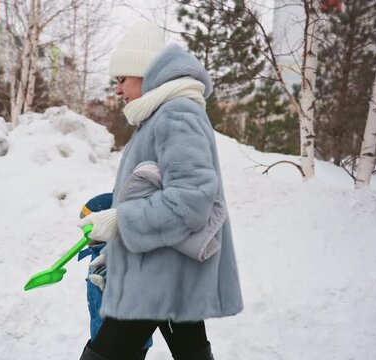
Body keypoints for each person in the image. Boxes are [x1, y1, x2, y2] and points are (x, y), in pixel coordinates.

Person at [77, 21, 243, 360]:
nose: (118, 91)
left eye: (122, 79)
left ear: (145, 73)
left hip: (157, 274)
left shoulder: (176, 114)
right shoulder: (160, 115)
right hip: (166, 266)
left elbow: (191, 199)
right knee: (190, 349)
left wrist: (121, 221)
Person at [77, 193, 153, 360]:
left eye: (88, 225)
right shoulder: (97, 251)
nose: (84, 230)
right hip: (103, 334)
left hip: (127, 341)